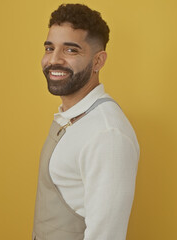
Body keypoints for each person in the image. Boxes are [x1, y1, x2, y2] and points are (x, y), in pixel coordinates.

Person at [33, 4, 140, 240]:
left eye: (71, 51)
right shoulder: (71, 118)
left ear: (98, 61)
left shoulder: (107, 134)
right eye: (49, 48)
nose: (54, 60)